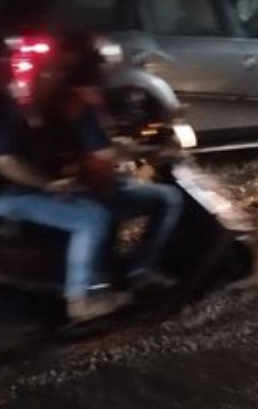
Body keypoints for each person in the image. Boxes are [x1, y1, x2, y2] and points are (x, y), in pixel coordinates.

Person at [0, 31, 124, 322]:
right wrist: (48, 184)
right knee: (91, 219)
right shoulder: (0, 106)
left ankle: (88, 277)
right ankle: (82, 299)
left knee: (88, 202)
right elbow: (3, 160)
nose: (6, 66)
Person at [31, 32, 183, 294]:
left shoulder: (59, 94)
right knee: (168, 198)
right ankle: (139, 271)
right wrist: (152, 150)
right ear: (90, 64)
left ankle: (109, 262)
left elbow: (98, 142)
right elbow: (102, 154)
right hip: (88, 186)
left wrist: (126, 146)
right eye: (101, 61)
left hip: (72, 179)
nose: (106, 67)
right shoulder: (82, 100)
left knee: (128, 182)